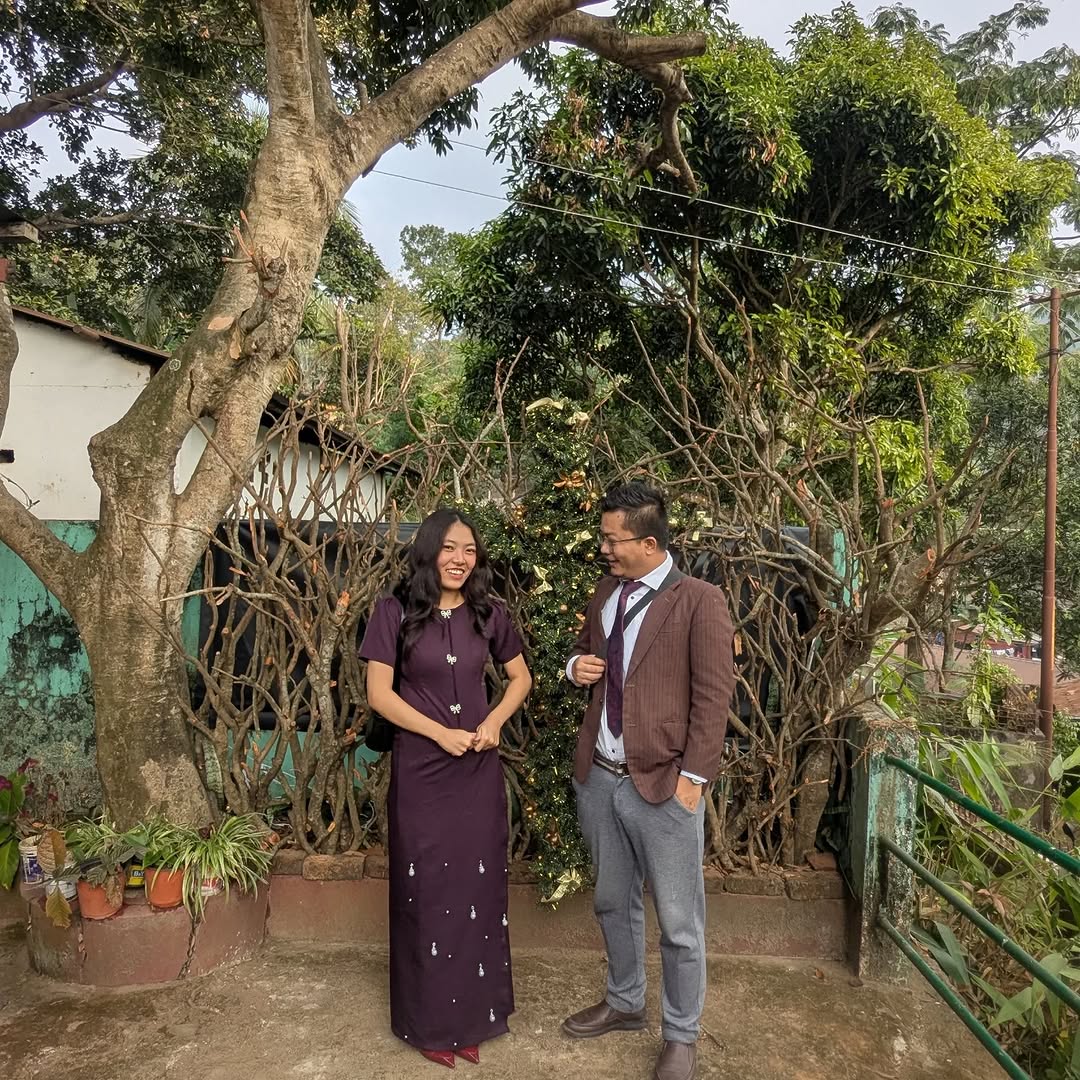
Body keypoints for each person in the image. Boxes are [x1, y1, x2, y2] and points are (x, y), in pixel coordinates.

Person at [561, 482, 735, 1080]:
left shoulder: (700, 600)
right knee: (613, 901)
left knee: (680, 924)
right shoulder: (605, 591)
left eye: (613, 540)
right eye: (603, 537)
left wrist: (693, 781)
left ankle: (681, 1036)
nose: (604, 548)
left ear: (650, 544)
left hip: (665, 784)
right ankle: (625, 1001)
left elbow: (713, 698)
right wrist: (575, 667)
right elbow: (585, 651)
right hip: (601, 777)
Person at [361, 508, 532, 1069]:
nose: (460, 559)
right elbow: (379, 695)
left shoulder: (489, 613)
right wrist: (439, 733)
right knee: (426, 892)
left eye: (470, 550)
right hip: (422, 771)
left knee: (477, 890)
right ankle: (429, 1023)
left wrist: (494, 721)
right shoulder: (394, 612)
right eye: (450, 548)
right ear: (429, 550)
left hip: (477, 771)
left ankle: (472, 1019)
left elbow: (520, 677)